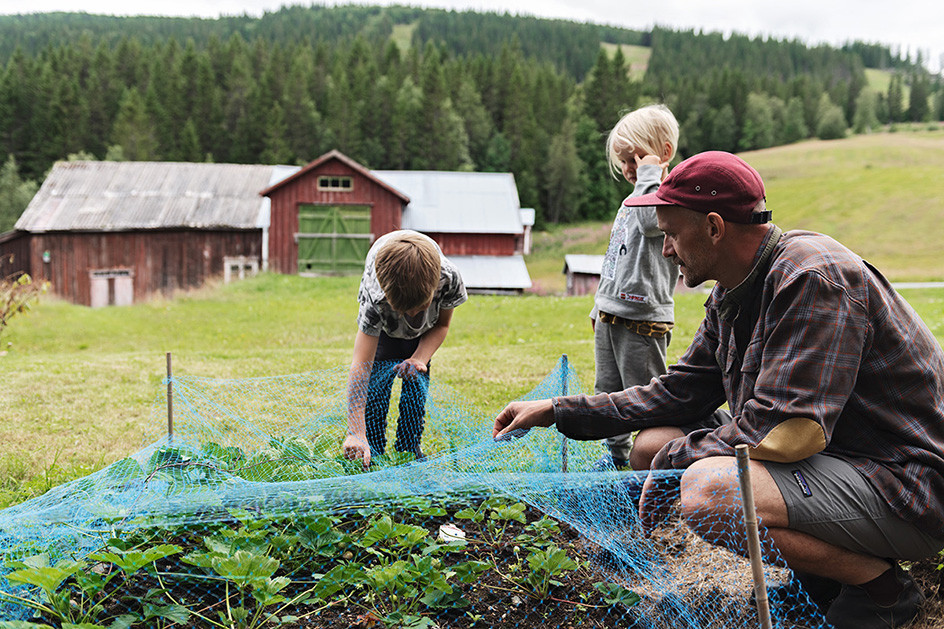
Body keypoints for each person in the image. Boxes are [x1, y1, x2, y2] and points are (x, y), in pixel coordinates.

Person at [493, 151, 944, 629]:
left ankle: (882, 591)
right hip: (847, 464)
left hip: (908, 487)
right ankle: (822, 579)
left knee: (710, 492)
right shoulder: (735, 288)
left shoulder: (810, 278)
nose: (666, 249)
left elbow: (787, 433)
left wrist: (677, 462)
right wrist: (557, 410)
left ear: (713, 227)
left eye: (670, 233)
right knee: (651, 445)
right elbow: (677, 392)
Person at [591, 104, 682, 471]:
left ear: (663, 152)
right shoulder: (635, 196)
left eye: (636, 158)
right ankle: (614, 460)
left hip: (643, 321)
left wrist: (649, 176)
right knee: (607, 391)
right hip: (613, 312)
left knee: (643, 397)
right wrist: (600, 303)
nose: (629, 169)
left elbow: (650, 224)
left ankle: (648, 466)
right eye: (624, 161)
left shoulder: (667, 197)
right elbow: (616, 254)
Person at [343, 230, 467, 468]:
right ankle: (373, 450)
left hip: (426, 334)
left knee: (416, 389)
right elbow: (361, 364)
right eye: (405, 310)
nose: (412, 316)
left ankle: (409, 450)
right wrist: (355, 431)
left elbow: (441, 325)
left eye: (420, 307)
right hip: (384, 332)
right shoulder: (375, 295)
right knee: (375, 389)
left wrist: (420, 357)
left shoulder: (449, 278)